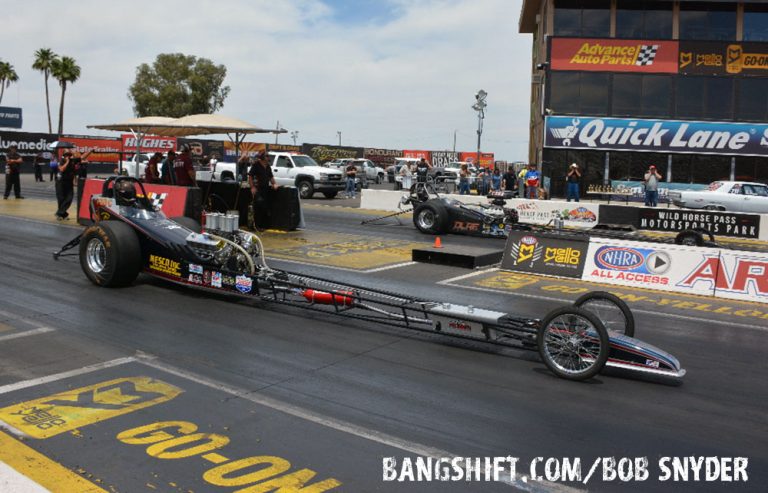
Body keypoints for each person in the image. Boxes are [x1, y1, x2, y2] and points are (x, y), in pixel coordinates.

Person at [248, 151, 278, 231]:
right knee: (258, 206)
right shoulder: (256, 165)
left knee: (264, 207)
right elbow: (250, 176)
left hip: (265, 189)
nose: (268, 158)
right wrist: (252, 187)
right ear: (262, 158)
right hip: (258, 189)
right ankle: (256, 226)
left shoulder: (268, 166)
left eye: (268, 156)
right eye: (266, 156)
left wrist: (274, 184)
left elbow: (271, 177)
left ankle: (262, 225)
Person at [55, 151, 76, 219]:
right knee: (61, 199)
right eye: (67, 155)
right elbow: (62, 169)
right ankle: (62, 214)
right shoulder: (60, 161)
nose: (68, 157)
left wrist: (90, 151)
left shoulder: (72, 162)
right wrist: (67, 162)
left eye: (69, 155)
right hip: (60, 182)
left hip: (69, 182)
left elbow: (82, 158)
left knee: (69, 198)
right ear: (64, 156)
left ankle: (59, 213)